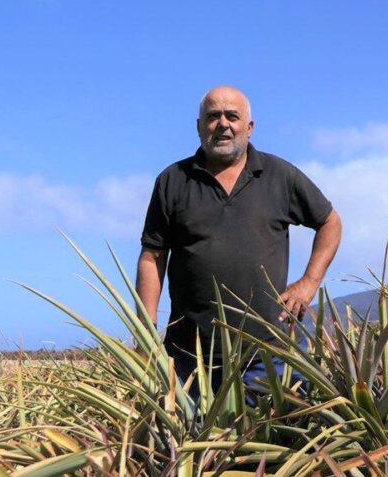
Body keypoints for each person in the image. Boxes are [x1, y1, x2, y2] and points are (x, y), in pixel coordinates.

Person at [137, 85, 341, 395]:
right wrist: (145, 330)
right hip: (189, 360)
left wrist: (309, 282)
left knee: (273, 440)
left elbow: (330, 222)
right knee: (189, 443)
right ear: (198, 126)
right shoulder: (173, 180)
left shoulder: (279, 175)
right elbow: (152, 257)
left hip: (269, 355)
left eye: (232, 116)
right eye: (212, 116)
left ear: (249, 127)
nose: (223, 124)